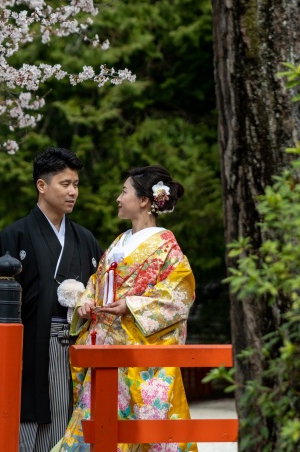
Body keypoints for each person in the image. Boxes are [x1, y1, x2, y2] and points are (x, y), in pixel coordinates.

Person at [55, 165, 197, 452]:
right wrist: (87, 301)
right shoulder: (119, 242)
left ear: (144, 200)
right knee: (98, 428)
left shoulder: (167, 247)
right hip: (107, 349)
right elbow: (96, 281)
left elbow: (180, 293)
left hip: (140, 352)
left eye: (124, 192)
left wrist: (131, 305)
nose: (118, 199)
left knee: (141, 432)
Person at [0, 147, 104, 452]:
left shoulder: (85, 239)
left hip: (76, 350)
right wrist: (3, 359)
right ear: (41, 185)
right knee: (27, 426)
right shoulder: (15, 236)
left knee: (69, 425)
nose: (73, 192)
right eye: (65, 184)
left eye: (76, 184)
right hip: (28, 350)